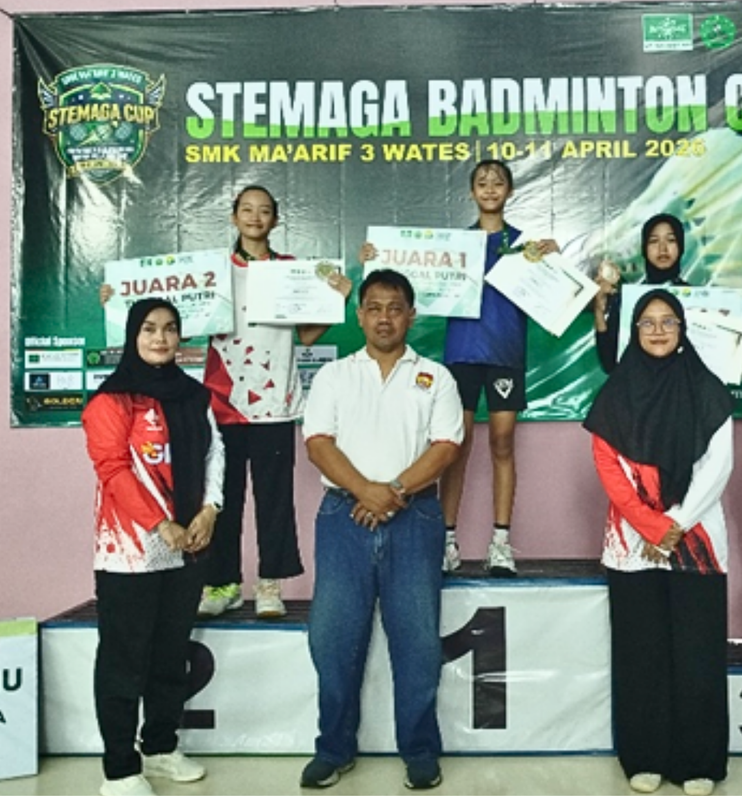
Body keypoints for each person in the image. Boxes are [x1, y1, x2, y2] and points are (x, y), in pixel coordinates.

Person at [103, 185, 351, 619]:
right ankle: (223, 583)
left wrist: (337, 299)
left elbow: (307, 335)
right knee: (222, 499)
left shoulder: (291, 271)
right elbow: (167, 319)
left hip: (276, 402)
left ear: (276, 220)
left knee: (275, 499)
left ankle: (270, 583)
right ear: (234, 217)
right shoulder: (212, 271)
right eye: (247, 210)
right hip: (222, 403)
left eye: (265, 211)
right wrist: (117, 301)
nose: (256, 217)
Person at [297, 269, 464, 791]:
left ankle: (419, 750)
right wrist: (365, 491)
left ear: (411, 316)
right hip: (342, 517)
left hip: (414, 518)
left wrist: (390, 491)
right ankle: (333, 748)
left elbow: (445, 447)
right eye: (374, 307)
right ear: (359, 315)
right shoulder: (334, 376)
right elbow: (318, 443)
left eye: (395, 308)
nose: (384, 318)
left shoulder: (436, 377)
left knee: (416, 642)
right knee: (333, 640)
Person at [358, 160, 557, 577]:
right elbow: (407, 280)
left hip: (505, 354)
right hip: (462, 353)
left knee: (502, 443)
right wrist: (376, 261)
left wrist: (553, 263)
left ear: (510, 191)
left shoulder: (526, 247)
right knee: (454, 447)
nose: (490, 189)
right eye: (482, 183)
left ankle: (500, 543)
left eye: (498, 183)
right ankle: (447, 541)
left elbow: (554, 292)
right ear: (471, 192)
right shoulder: (453, 245)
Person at [585, 290, 734, 796]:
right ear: (633, 330)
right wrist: (652, 528)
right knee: (641, 655)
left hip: (697, 545)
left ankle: (698, 762)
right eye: (647, 322)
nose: (657, 331)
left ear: (682, 328)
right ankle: (644, 757)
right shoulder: (615, 395)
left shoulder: (708, 390)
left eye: (667, 321)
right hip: (632, 547)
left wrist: (676, 523)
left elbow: (718, 466)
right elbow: (609, 468)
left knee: (697, 654)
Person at [82, 298, 224, 796]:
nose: (160, 338)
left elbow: (214, 453)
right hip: (129, 551)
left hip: (187, 546)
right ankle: (120, 768)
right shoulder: (110, 401)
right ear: (132, 336)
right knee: (124, 660)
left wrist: (210, 509)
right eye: (148, 329)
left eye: (169, 329)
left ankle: (161, 749)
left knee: (169, 655)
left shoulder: (194, 395)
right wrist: (160, 524)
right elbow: (113, 469)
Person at [592, 213, 691, 373]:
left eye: (671, 240)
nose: (663, 248)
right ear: (644, 249)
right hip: (636, 387)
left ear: (681, 247)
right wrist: (599, 310)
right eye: (654, 241)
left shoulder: (700, 299)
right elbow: (609, 363)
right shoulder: (627, 299)